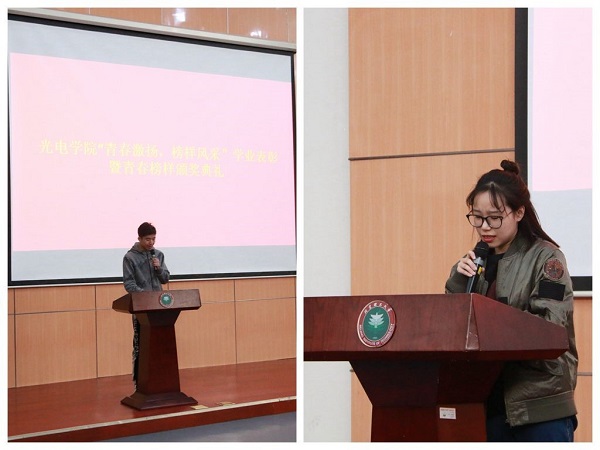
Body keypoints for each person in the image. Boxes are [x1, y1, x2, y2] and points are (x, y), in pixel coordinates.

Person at [445, 160, 578, 442]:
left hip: (539, 407)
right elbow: (454, 330)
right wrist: (458, 282)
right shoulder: (475, 263)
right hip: (486, 404)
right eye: (477, 217)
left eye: (494, 218)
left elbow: (551, 327)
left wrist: (493, 321)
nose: (484, 227)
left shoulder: (547, 259)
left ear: (519, 212)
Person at [122, 222, 170, 388]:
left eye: (154, 239)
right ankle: (140, 384)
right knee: (141, 345)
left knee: (160, 343)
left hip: (159, 307)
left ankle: (160, 381)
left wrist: (159, 269)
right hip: (142, 308)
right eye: (148, 239)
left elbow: (165, 279)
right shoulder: (130, 257)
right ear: (139, 238)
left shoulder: (158, 255)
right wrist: (146, 296)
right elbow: (129, 284)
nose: (151, 242)